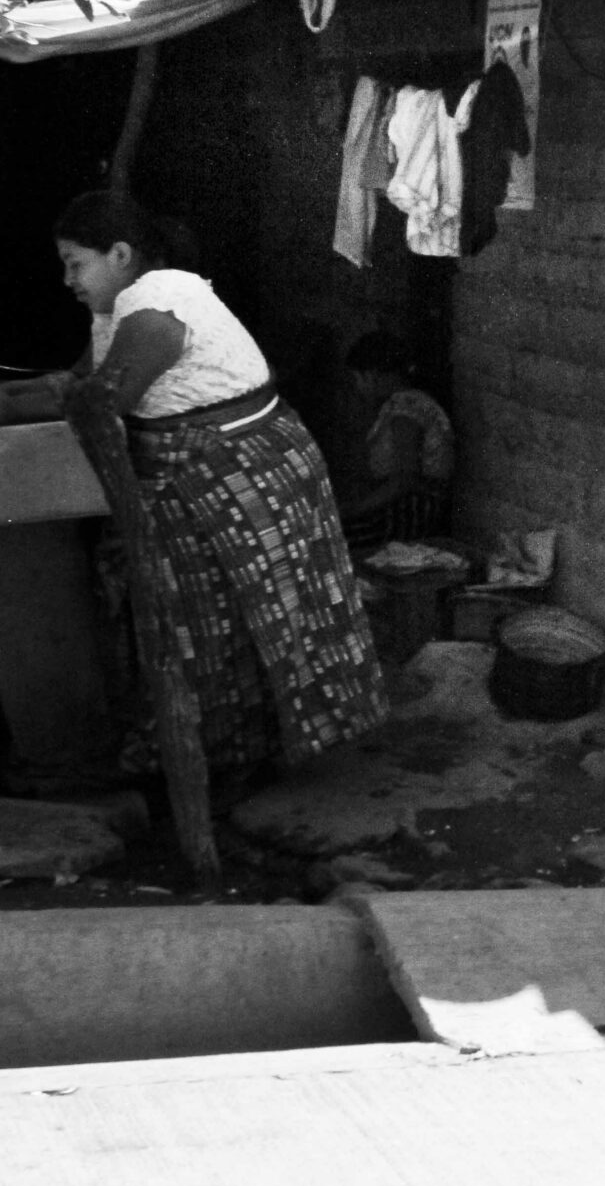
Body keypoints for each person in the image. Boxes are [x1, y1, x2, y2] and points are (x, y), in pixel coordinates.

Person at [0, 192, 385, 791]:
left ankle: (229, 767)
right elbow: (76, 384)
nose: (67, 279)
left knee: (238, 616)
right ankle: (222, 759)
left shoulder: (161, 303)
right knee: (208, 623)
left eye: (76, 263)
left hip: (236, 472)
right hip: (202, 475)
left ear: (121, 255)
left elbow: (103, 401)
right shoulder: (119, 310)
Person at [338, 331, 456, 551]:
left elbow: (404, 479)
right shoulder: (403, 405)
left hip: (409, 510)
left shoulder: (406, 409)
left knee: (337, 541)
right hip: (406, 506)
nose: (357, 388)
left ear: (372, 375)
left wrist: (355, 510)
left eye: (357, 379)